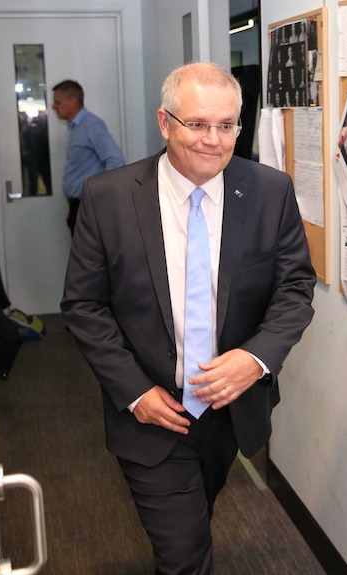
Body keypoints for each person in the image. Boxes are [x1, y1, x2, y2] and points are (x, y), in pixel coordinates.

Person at [60, 62, 317, 574]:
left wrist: (255, 358)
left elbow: (295, 288)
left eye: (227, 126)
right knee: (184, 556)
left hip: (230, 411)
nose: (213, 140)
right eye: (197, 124)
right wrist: (133, 391)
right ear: (165, 122)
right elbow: (84, 306)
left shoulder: (269, 191)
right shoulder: (109, 198)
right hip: (151, 414)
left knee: (192, 525)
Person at [52, 79, 126, 235]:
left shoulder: (91, 125)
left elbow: (116, 160)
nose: (54, 107)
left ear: (72, 102)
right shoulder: (75, 127)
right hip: (78, 207)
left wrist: (96, 196)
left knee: (91, 258)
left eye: (57, 102)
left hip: (90, 207)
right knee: (82, 257)